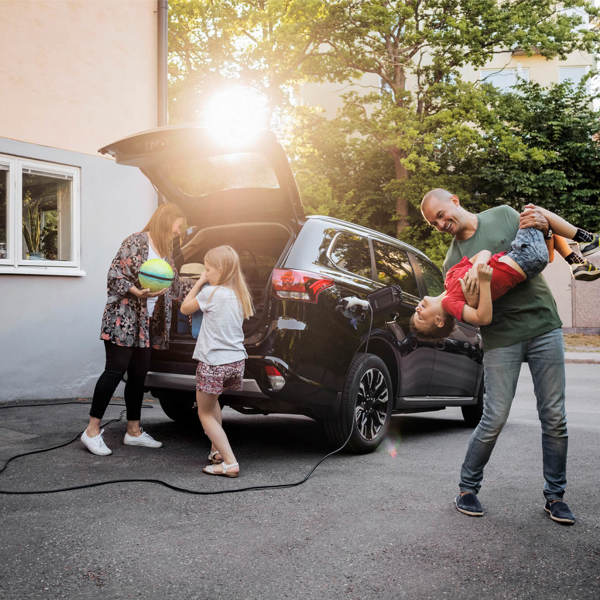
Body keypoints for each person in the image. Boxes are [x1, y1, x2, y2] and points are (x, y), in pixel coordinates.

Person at [420, 188, 578, 525]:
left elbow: (540, 254)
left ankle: (555, 496)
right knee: (493, 417)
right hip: (500, 337)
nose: (441, 223)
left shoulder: (504, 214)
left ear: (455, 202)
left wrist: (542, 233)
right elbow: (477, 310)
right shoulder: (451, 262)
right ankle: (467, 488)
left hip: (542, 324)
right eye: (435, 223)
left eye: (441, 214)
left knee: (554, 417)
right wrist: (483, 281)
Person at [81, 203, 186, 456]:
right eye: (178, 226)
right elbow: (115, 275)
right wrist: (136, 291)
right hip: (122, 320)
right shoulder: (137, 241)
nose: (178, 232)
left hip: (144, 325)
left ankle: (134, 431)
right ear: (165, 222)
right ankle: (92, 431)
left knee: (139, 375)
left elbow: (173, 285)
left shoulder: (165, 253)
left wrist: (208, 282)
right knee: (114, 372)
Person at [411, 205, 599, 338]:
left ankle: (576, 260)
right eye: (420, 316)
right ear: (438, 321)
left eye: (415, 311)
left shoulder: (451, 276)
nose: (417, 308)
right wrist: (483, 282)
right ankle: (586, 239)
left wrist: (478, 266)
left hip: (519, 252)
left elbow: (483, 253)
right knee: (532, 212)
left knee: (539, 222)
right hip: (526, 258)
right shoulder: (452, 304)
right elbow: (483, 318)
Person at [180, 245, 254, 478]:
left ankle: (230, 462)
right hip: (235, 361)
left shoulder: (210, 293)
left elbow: (184, 308)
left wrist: (200, 282)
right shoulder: (240, 295)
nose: (206, 273)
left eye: (209, 269)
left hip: (213, 362)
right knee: (213, 406)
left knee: (204, 413)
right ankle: (217, 452)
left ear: (221, 270)